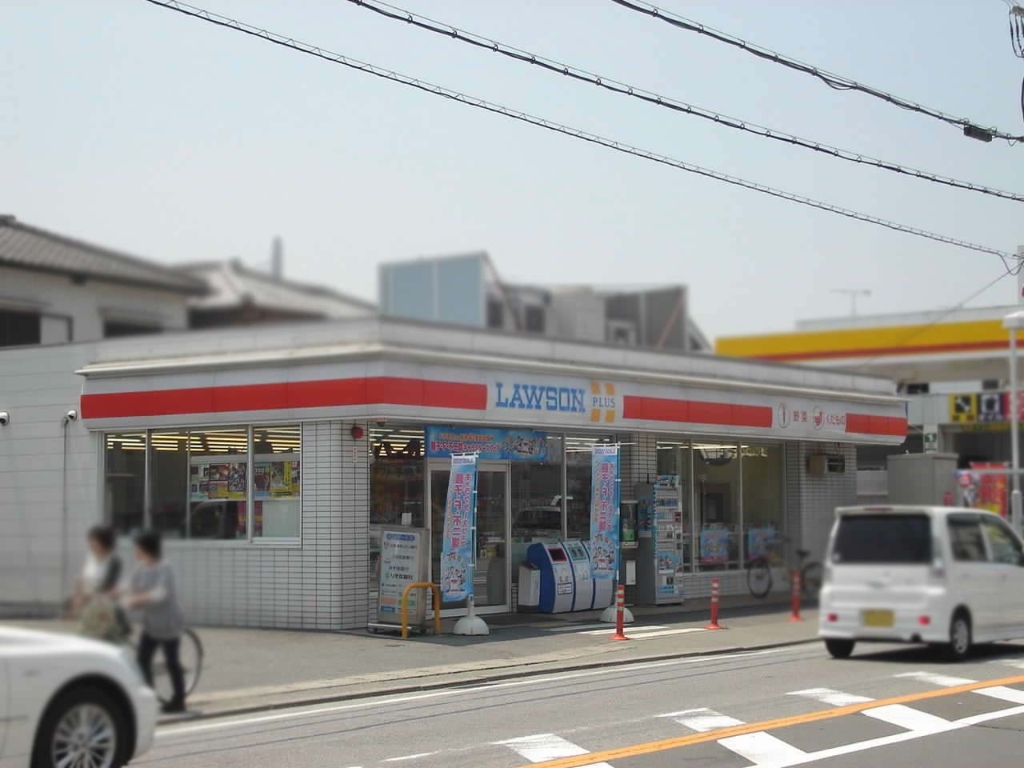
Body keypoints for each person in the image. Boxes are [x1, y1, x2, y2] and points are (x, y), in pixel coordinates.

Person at [123, 530, 187, 713]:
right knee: (142, 660)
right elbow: (127, 586)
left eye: (138, 547)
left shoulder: (164, 567)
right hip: (151, 624)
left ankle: (179, 700)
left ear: (146, 548)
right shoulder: (141, 568)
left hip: (168, 623)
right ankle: (149, 699)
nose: (136, 551)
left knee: (172, 662)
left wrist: (138, 600)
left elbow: (161, 593)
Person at [73, 526, 129, 643]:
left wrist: (88, 597)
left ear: (104, 542)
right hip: (89, 604)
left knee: (105, 637)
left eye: (94, 541)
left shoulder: (114, 561)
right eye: (90, 541)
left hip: (104, 606)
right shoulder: (90, 556)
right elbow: (81, 578)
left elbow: (109, 585)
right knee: (86, 635)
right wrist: (78, 596)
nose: (91, 544)